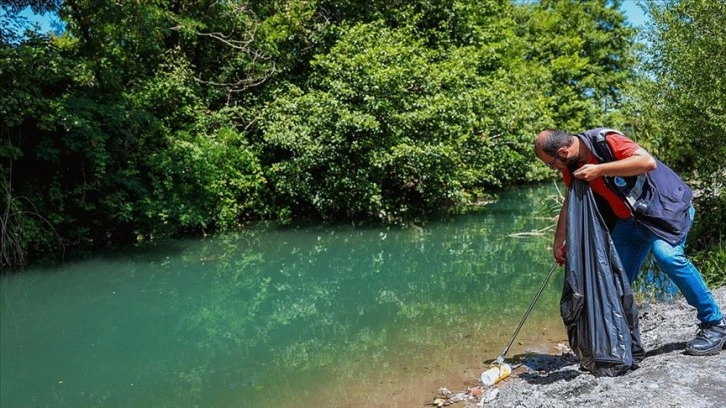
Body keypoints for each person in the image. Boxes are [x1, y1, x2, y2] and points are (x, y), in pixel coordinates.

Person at [534, 127, 725, 356]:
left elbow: (646, 162)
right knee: (611, 277)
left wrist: (600, 170)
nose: (553, 168)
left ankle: (715, 324)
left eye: (550, 163)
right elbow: (570, 201)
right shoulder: (572, 166)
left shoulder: (605, 141)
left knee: (668, 256)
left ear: (563, 152)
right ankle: (624, 339)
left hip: (664, 209)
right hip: (630, 222)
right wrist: (559, 241)